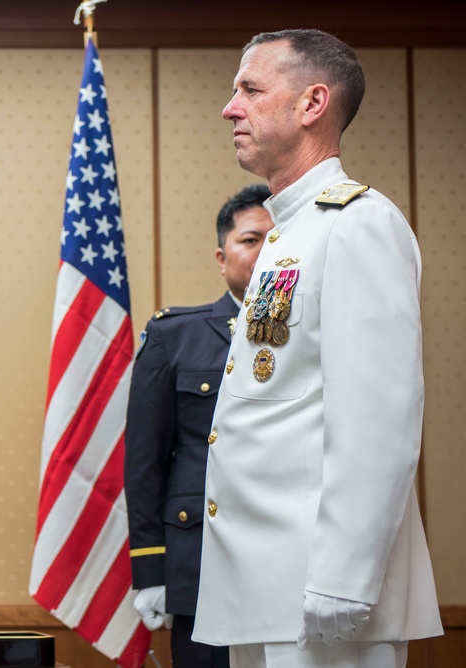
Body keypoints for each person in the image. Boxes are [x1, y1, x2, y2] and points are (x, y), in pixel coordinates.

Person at [192, 29, 443, 668]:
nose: (230, 108)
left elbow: (378, 419)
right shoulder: (288, 235)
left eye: (250, 89)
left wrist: (344, 576)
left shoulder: (359, 223)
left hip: (325, 597)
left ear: (311, 105)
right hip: (265, 590)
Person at [125, 183, 273, 668]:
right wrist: (150, 567)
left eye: (278, 240)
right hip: (201, 564)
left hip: (289, 564)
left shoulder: (313, 335)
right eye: (251, 240)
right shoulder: (175, 336)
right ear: (221, 255)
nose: (266, 251)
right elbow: (145, 463)